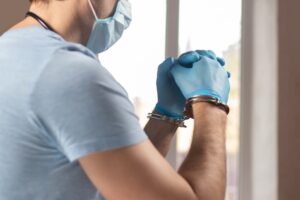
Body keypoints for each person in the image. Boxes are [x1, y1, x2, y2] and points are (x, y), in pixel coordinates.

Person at [0, 0, 230, 199]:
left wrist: (167, 114)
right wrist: (211, 103)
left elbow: (121, 182)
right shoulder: (69, 73)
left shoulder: (12, 50)